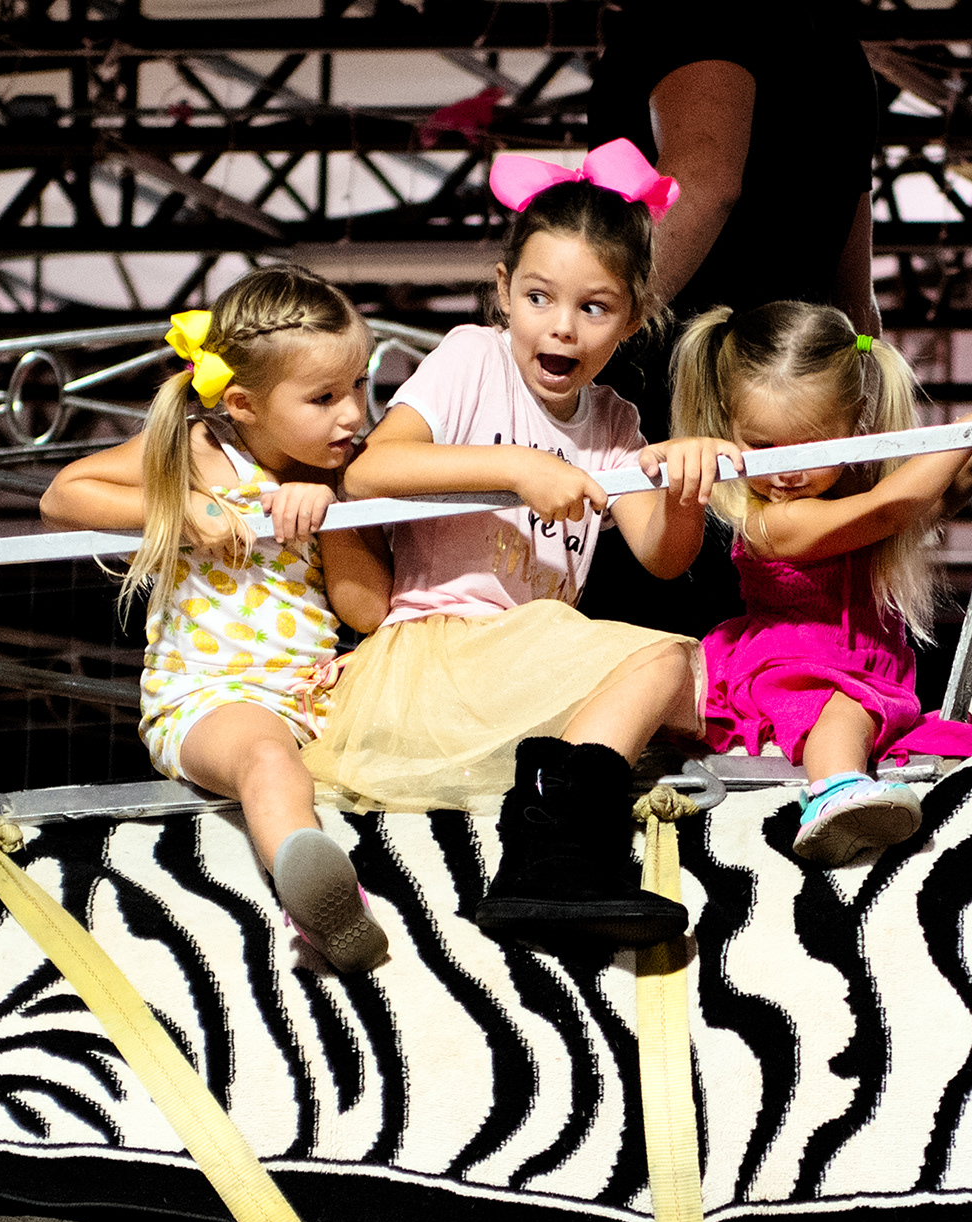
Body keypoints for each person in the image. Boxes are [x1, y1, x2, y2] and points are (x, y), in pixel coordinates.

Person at [305, 139, 741, 948]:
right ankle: (553, 855)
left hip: (527, 664)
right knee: (660, 661)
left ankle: (567, 812)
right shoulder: (471, 359)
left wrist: (683, 481)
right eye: (540, 298)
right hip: (443, 655)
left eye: (594, 308)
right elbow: (370, 472)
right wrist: (520, 465)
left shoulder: (613, 422)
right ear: (505, 292)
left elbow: (663, 556)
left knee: (701, 680)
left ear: (634, 320)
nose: (562, 328)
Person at [39, 265, 394, 974]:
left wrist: (334, 512)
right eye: (323, 396)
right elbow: (61, 495)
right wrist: (184, 512)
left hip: (319, 693)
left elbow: (370, 610)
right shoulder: (199, 453)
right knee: (266, 759)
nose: (352, 413)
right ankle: (323, 901)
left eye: (358, 384)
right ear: (244, 403)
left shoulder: (344, 470)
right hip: (211, 697)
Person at [672, 301, 972, 865]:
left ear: (856, 427)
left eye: (811, 447)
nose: (784, 470)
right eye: (761, 445)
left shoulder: (853, 498)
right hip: (788, 667)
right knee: (842, 706)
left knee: (856, 700)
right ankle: (836, 791)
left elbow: (934, 497)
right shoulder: (771, 522)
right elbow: (891, 510)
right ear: (728, 428)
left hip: (869, 665)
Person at [580, 0, 881, 639]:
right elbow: (858, 301)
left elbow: (706, 182)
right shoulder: (836, 45)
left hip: (679, 394)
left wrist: (577, 325)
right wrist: (862, 432)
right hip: (792, 396)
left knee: (651, 653)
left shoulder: (694, 6)